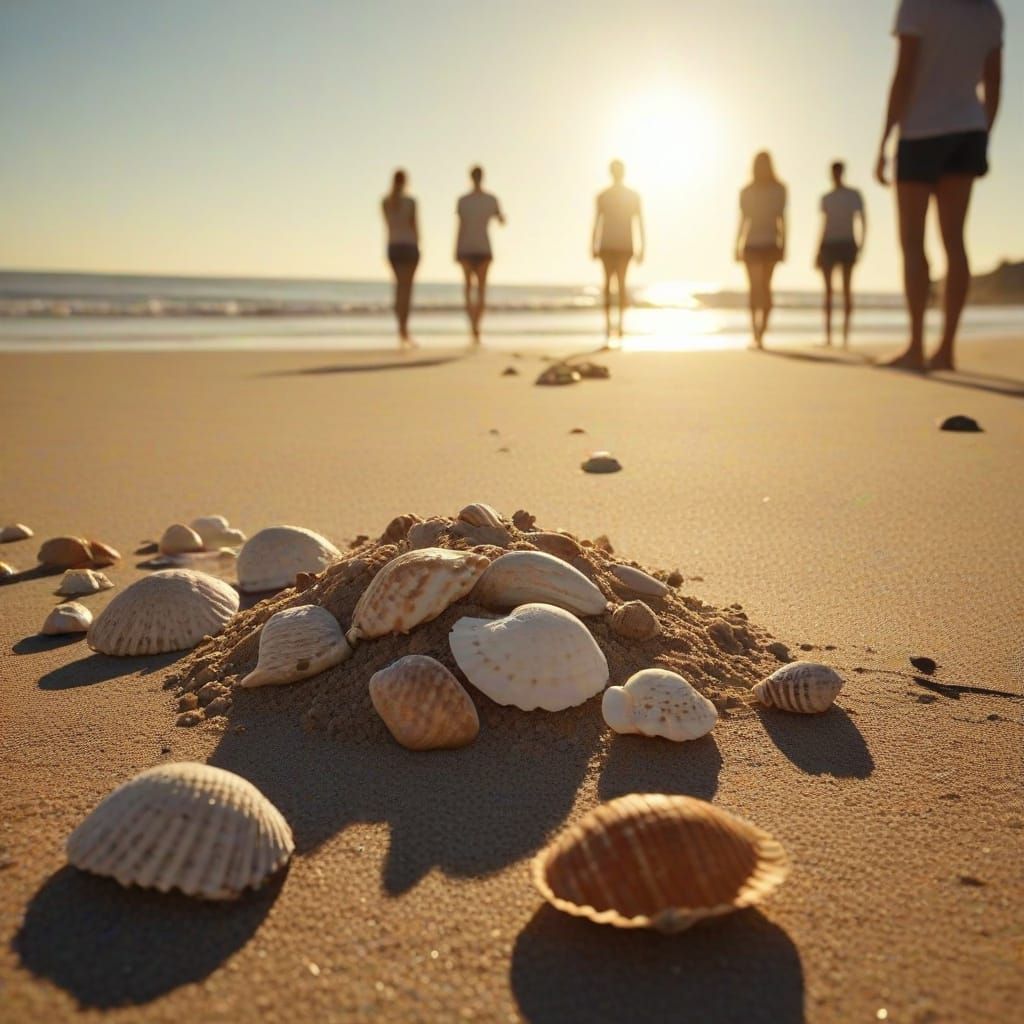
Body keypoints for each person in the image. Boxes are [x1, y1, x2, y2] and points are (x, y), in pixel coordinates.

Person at [876, 0, 1003, 371]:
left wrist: (885, 138)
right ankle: (946, 349)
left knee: (913, 241)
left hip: (921, 130)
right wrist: (983, 133)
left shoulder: (918, 4)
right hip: (968, 130)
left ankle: (916, 346)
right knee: (954, 239)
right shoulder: (988, 11)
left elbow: (904, 72)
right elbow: (994, 81)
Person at [735, 152, 787, 349]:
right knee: (754, 288)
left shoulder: (779, 190)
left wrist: (785, 244)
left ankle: (762, 330)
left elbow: (782, 218)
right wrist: (737, 244)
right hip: (751, 243)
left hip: (771, 242)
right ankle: (754, 331)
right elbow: (743, 219)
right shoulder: (747, 191)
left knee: (765, 287)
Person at [591, 160, 644, 344]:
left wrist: (642, 246)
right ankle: (611, 327)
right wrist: (593, 243)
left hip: (622, 245)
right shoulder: (604, 196)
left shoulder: (630, 196)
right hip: (612, 245)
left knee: (617, 285)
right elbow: (597, 221)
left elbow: (639, 222)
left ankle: (618, 327)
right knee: (612, 285)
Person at [817, 161, 867, 347]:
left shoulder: (853, 195)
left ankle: (845, 336)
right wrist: (818, 250)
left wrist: (861, 244)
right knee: (828, 292)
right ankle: (828, 336)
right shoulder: (826, 198)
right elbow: (824, 225)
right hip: (828, 244)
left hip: (847, 244)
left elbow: (863, 220)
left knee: (846, 289)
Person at [455, 166, 505, 344]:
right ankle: (476, 326)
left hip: (468, 248)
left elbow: (459, 227)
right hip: (481, 248)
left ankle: (474, 326)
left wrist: (456, 249)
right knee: (479, 290)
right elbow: (501, 220)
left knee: (470, 290)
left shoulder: (464, 201)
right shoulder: (490, 199)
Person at [381, 169, 419, 348]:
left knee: (398, 289)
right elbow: (415, 226)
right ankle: (405, 329)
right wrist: (419, 246)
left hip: (393, 246)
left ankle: (401, 329)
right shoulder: (410, 202)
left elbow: (388, 225)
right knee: (407, 290)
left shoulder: (386, 202)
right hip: (409, 246)